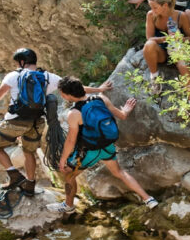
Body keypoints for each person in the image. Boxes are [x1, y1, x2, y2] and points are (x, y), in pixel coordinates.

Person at [0, 48, 110, 195]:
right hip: (36, 122)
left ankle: (14, 176)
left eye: (17, 62)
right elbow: (77, 89)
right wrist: (99, 88)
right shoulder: (48, 76)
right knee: (29, 152)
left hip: (15, 121)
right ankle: (30, 185)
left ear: (22, 62)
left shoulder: (13, 76)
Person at [47, 76, 158, 214]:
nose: (62, 95)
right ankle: (149, 199)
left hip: (88, 152)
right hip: (107, 146)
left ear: (67, 95)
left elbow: (71, 141)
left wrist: (63, 159)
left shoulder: (74, 113)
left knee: (69, 176)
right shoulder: (101, 99)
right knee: (119, 173)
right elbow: (122, 115)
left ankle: (68, 206)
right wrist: (127, 109)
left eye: (62, 93)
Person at [141, 0, 190, 107]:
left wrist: (179, 38)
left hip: (177, 50)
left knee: (183, 65)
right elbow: (150, 39)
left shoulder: (181, 16)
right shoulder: (151, 15)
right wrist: (166, 39)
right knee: (148, 46)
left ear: (165, 5)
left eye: (155, 7)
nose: (153, 10)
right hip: (161, 52)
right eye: (151, 7)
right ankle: (155, 79)